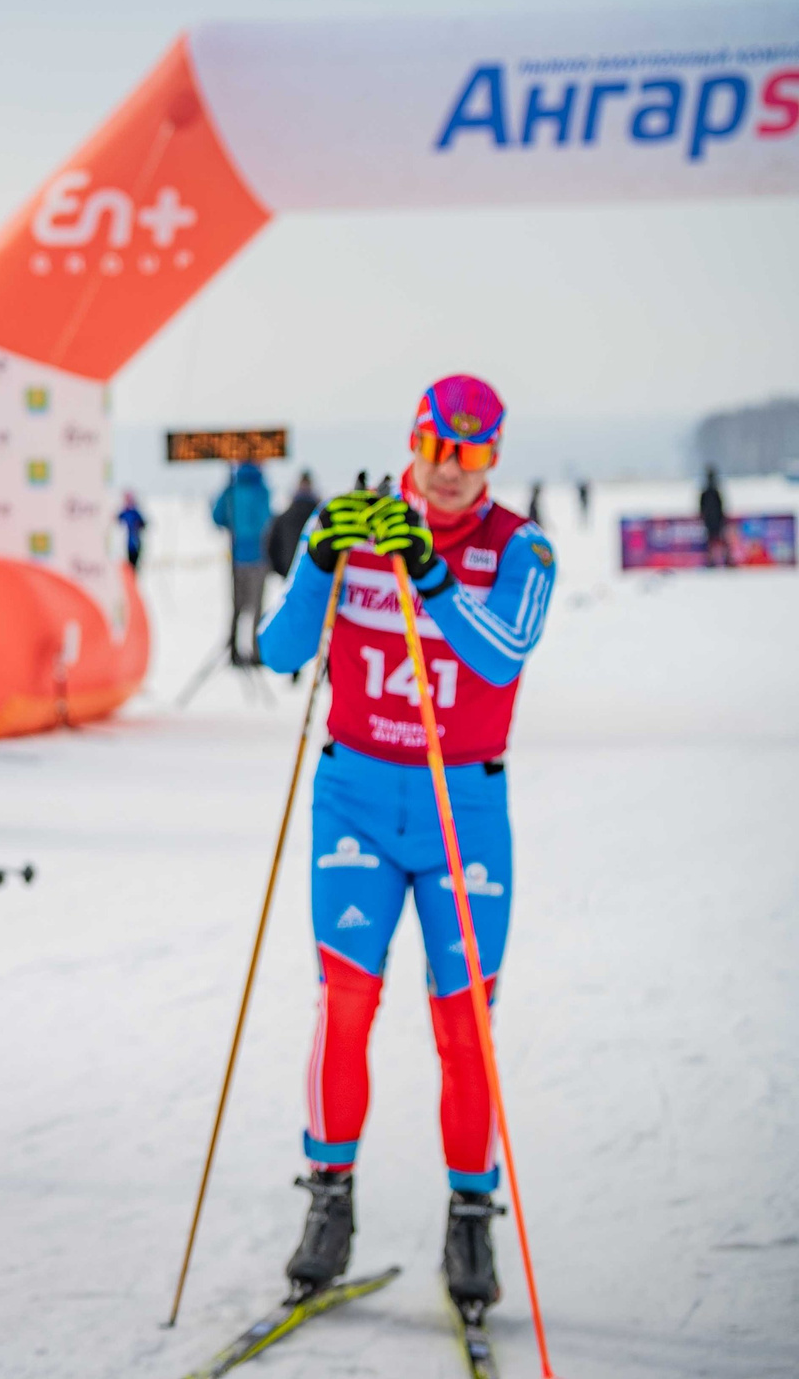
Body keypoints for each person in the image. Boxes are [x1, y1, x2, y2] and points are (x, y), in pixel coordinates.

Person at [255, 376, 556, 1318]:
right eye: (437, 446)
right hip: (356, 799)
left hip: (462, 809)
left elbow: (502, 654)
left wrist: (428, 572)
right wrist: (314, 558)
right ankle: (329, 1202)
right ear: (414, 437)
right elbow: (277, 652)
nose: (450, 471)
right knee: (345, 1004)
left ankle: (471, 1211)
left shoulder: (521, 547)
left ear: (494, 457)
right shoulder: (360, 529)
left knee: (463, 1024)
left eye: (473, 455)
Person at [212, 460, 273, 665]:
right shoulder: (261, 490)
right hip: (259, 557)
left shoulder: (232, 490)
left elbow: (217, 516)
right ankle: (256, 653)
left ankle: (234, 651)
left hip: (237, 558)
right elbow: (267, 520)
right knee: (257, 607)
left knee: (237, 607)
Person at [266, 469, 320, 581]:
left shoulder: (283, 517)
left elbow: (270, 546)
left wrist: (281, 570)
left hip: (289, 573)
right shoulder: (320, 518)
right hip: (313, 575)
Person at [700, 465, 731, 566]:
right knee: (716, 541)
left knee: (717, 541)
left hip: (713, 519)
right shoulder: (711, 492)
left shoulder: (709, 492)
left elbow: (703, 507)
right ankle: (720, 560)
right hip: (714, 519)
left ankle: (722, 560)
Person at [116, 491, 147, 573]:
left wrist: (138, 526)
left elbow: (144, 524)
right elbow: (117, 519)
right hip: (127, 543)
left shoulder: (135, 512)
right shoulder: (125, 512)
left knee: (134, 566)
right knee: (129, 566)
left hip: (135, 543)